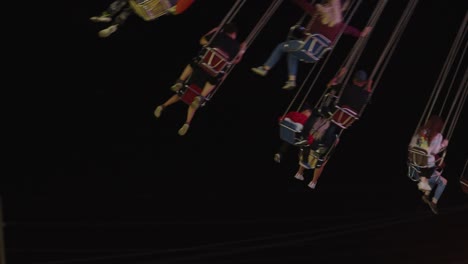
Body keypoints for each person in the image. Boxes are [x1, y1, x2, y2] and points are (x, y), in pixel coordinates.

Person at [251, 0, 372, 90]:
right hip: (314, 56)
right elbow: (352, 31)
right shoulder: (339, 26)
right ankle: (291, 80)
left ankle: (265, 68)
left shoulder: (317, 14)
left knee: (280, 47)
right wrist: (362, 33)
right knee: (292, 54)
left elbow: (303, 4)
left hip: (304, 46)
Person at [154, 22, 246, 136]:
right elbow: (235, 61)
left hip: (201, 66)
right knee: (200, 93)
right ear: (234, 34)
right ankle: (189, 118)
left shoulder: (218, 35)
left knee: (184, 90)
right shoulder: (236, 46)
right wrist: (242, 51)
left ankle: (177, 85)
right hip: (213, 74)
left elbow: (202, 41)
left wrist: (214, 30)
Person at [90, 0, 195, 38]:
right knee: (131, 7)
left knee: (128, 3)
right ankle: (115, 25)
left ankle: (107, 15)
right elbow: (176, 11)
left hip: (150, 6)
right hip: (150, 12)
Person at [293, 108, 340, 189]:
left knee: (307, 150)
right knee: (322, 158)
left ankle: (299, 173)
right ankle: (313, 182)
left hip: (312, 137)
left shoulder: (317, 115)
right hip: (320, 142)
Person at [409, 115, 449, 192]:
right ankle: (423, 181)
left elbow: (419, 143)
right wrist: (444, 144)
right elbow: (435, 150)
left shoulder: (422, 130)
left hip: (414, 157)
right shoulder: (438, 135)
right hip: (424, 160)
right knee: (432, 163)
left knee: (426, 162)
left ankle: (424, 181)